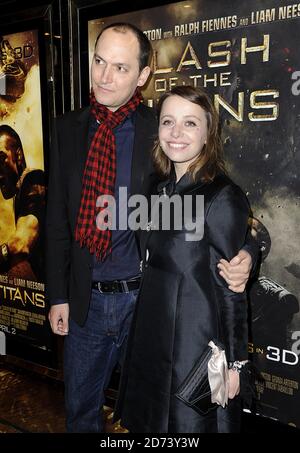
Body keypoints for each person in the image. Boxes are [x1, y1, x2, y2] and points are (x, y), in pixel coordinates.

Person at [46, 23, 256, 433]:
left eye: (120, 68)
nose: (105, 77)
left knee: (151, 416)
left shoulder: (158, 130)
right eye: (100, 62)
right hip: (84, 301)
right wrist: (57, 295)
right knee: (80, 413)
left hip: (145, 306)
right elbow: (57, 219)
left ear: (142, 76)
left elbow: (223, 209)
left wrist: (248, 250)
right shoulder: (67, 130)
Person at [115, 85, 250, 433]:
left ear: (208, 134)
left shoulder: (222, 195)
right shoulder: (158, 189)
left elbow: (232, 287)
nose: (176, 133)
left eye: (190, 123)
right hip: (150, 333)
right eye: (167, 122)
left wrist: (235, 364)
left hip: (194, 343)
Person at [0, 125, 45, 280]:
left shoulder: (34, 178)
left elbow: (20, 244)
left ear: (18, 155)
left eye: (0, 159)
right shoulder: (21, 190)